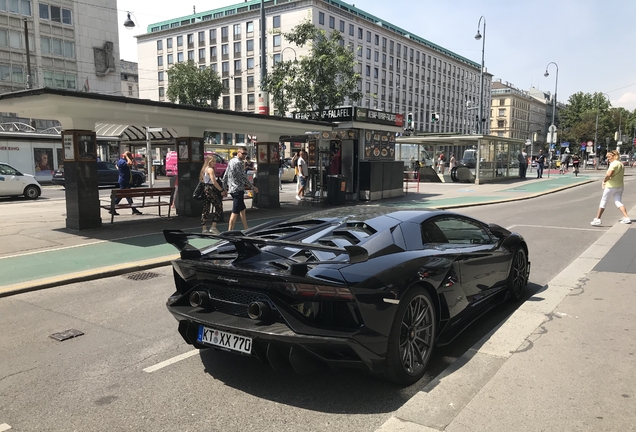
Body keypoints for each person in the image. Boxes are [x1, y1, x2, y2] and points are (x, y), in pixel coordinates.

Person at [591, 150, 631, 226]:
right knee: (618, 201)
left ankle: (597, 219)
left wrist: (604, 180)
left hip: (610, 186)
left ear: (614, 156)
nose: (608, 159)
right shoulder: (621, 164)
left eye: (609, 157)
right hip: (620, 186)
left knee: (603, 201)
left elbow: (609, 174)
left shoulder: (613, 164)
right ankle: (626, 217)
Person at [222, 146, 258, 231]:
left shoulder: (231, 161)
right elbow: (243, 177)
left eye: (246, 153)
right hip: (238, 189)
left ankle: (246, 228)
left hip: (232, 188)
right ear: (238, 153)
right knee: (235, 211)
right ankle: (229, 231)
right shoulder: (239, 163)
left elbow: (225, 175)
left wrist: (225, 188)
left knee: (242, 209)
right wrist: (253, 187)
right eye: (243, 153)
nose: (245, 155)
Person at [200, 156, 226, 234]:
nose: (215, 163)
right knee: (218, 207)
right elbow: (214, 181)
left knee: (206, 209)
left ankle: (204, 229)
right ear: (209, 162)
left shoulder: (204, 169)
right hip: (211, 189)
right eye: (213, 161)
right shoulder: (210, 169)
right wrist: (221, 190)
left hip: (206, 189)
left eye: (215, 161)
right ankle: (213, 226)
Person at [113, 151, 142, 216]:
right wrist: (126, 156)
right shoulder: (122, 161)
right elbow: (130, 163)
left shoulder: (121, 161)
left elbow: (117, 166)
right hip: (123, 181)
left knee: (128, 196)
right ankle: (112, 207)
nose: (130, 158)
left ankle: (133, 209)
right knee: (121, 195)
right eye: (130, 157)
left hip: (126, 180)